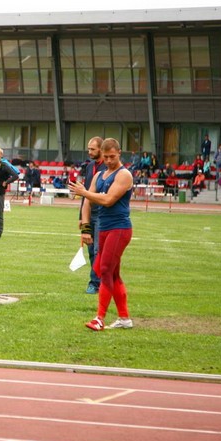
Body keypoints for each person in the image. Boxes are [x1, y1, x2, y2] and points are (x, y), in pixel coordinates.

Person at [68, 138, 134, 331]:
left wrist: (84, 193)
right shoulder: (99, 175)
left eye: (112, 156)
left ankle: (99, 318)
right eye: (106, 157)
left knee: (104, 269)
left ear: (119, 153)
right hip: (103, 228)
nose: (109, 161)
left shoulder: (124, 175)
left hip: (119, 228)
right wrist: (86, 228)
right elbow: (87, 203)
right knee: (112, 273)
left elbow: (108, 200)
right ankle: (124, 318)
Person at [78, 136, 105, 295]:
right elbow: (85, 194)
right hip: (89, 214)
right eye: (88, 149)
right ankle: (99, 281)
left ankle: (94, 283)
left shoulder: (108, 168)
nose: (89, 152)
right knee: (90, 249)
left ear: (101, 149)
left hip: (103, 214)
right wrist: (81, 217)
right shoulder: (89, 167)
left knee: (97, 250)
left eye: (92, 149)